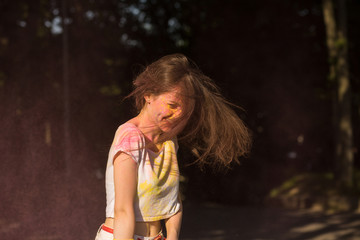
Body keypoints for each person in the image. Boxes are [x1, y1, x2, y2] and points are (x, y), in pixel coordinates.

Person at [95, 53, 251, 240]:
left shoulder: (169, 141)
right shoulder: (130, 137)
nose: (177, 115)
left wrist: (172, 237)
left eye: (184, 112)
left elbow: (172, 202)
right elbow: (123, 211)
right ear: (148, 95)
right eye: (172, 105)